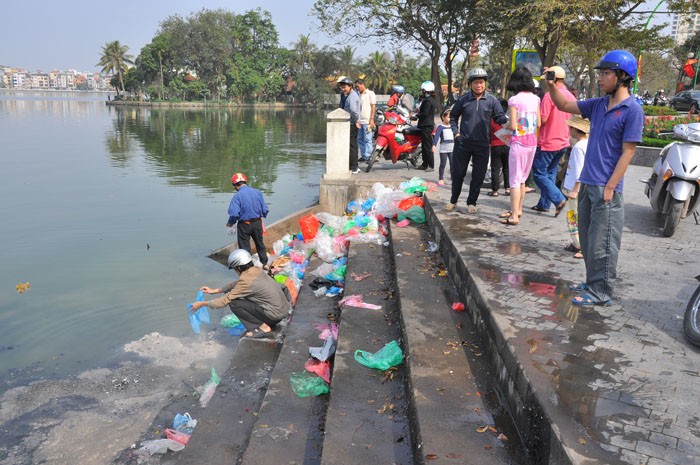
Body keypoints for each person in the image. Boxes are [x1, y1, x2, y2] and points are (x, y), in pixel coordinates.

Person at [544, 50, 644, 307]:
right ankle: (591, 283)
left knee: (604, 244)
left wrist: (611, 186)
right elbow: (564, 105)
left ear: (622, 76)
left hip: (607, 187)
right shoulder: (598, 105)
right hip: (588, 182)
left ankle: (602, 292)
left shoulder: (632, 109)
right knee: (587, 241)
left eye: (606, 73)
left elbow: (628, 152)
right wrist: (553, 86)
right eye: (600, 73)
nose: (600, 77)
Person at [190, 249, 290, 338]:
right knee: (245, 297)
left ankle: (262, 327)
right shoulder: (256, 270)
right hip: (284, 309)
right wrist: (215, 291)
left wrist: (202, 304)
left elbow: (224, 301)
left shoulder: (246, 282)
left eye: (234, 269)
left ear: (238, 268)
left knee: (234, 303)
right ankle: (264, 322)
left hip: (275, 315)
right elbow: (238, 284)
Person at [447, 68, 508, 213]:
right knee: (458, 174)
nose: (478, 85)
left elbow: (500, 118)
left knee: (478, 176)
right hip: (463, 143)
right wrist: (456, 134)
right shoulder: (463, 100)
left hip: (482, 144)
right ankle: (453, 201)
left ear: (485, 83)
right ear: (470, 84)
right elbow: (453, 117)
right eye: (475, 82)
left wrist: (509, 123)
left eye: (481, 82)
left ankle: (471, 203)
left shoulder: (492, 101)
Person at [532, 66, 575, 215]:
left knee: (538, 174)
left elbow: (542, 120)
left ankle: (558, 199)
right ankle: (544, 204)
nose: (545, 83)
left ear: (554, 80)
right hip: (563, 142)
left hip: (548, 141)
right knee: (550, 173)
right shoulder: (570, 96)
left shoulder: (550, 95)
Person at [500, 67, 540, 226]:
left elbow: (513, 125)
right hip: (532, 142)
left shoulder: (514, 100)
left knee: (514, 181)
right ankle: (519, 210)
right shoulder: (536, 99)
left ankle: (514, 215)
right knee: (522, 179)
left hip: (519, 143)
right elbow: (540, 122)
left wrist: (506, 124)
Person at [561, 115, 590, 259]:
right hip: (583, 188)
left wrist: (575, 190)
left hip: (576, 188)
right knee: (581, 217)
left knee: (574, 217)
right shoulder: (588, 143)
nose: (569, 130)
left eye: (570, 128)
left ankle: (580, 245)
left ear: (575, 130)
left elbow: (579, 171)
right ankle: (578, 244)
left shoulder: (578, 147)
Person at [227, 172, 269, 269]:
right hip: (257, 223)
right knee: (260, 243)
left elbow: (234, 214)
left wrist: (230, 223)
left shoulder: (237, 196)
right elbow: (265, 210)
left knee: (245, 247)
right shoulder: (257, 192)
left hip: (244, 225)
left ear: (235, 185)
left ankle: (249, 268)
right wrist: (259, 217)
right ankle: (265, 264)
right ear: (245, 182)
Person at [337, 76, 361, 174]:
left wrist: (356, 121)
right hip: (350, 123)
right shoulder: (348, 95)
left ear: (350, 86)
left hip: (352, 123)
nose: (343, 89)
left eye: (344, 87)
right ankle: (352, 166)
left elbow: (354, 111)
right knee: (351, 145)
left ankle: (354, 167)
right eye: (342, 87)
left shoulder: (352, 96)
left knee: (352, 146)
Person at [488, 98, 510, 197]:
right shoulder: (509, 119)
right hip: (507, 145)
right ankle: (507, 188)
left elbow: (488, 133)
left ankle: (495, 190)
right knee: (507, 168)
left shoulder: (492, 120)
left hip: (495, 146)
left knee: (495, 168)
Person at [415, 80, 437, 172]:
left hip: (427, 126)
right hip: (425, 125)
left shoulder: (428, 101)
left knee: (427, 146)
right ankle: (424, 164)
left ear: (426, 90)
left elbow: (424, 113)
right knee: (424, 146)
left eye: (422, 90)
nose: (421, 92)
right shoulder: (429, 100)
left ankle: (431, 166)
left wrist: (416, 116)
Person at [355, 78, 376, 162]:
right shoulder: (358, 95)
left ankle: (368, 156)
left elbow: (373, 106)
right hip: (360, 120)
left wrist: (372, 119)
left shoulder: (370, 93)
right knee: (360, 139)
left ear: (362, 84)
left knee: (367, 139)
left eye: (357, 86)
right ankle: (364, 155)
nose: (357, 88)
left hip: (367, 120)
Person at [432, 108, 454, 185]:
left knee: (452, 164)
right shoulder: (440, 127)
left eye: (451, 117)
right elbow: (436, 136)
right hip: (444, 149)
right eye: (448, 117)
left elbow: (457, 135)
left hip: (452, 148)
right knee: (443, 164)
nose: (449, 119)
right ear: (443, 117)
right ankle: (441, 178)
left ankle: (453, 179)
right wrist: (434, 145)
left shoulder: (453, 126)